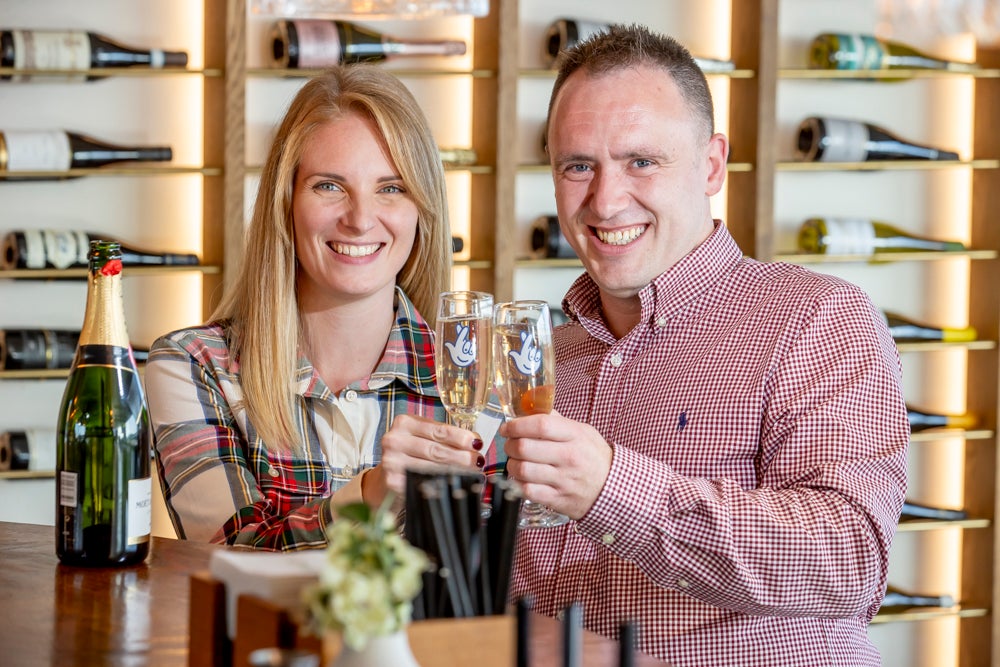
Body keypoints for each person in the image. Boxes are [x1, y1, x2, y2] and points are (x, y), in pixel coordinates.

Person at [501, 24, 909, 666]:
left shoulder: (816, 317)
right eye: (579, 166)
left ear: (712, 164)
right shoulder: (548, 358)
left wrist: (612, 488)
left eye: (642, 161)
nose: (605, 201)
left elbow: (848, 558)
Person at [144, 65, 502, 549]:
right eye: (329, 186)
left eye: (391, 188)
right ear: (285, 201)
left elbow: (497, 572)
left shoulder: (480, 376)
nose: (359, 219)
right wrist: (371, 497)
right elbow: (229, 558)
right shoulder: (197, 364)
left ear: (423, 208)